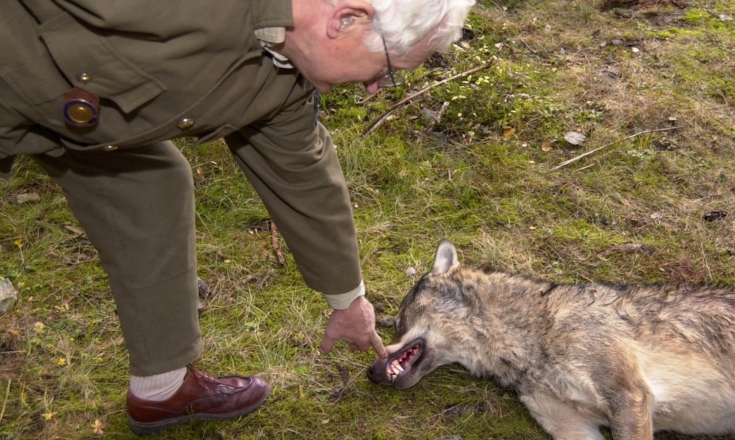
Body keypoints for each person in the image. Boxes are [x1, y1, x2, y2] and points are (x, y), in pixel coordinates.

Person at [0, 0, 475, 434]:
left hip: (83, 114)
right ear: (346, 19)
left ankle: (162, 389)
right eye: (386, 70)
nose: (374, 87)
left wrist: (348, 301)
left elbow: (303, 174)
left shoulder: (285, 73)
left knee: (150, 184)